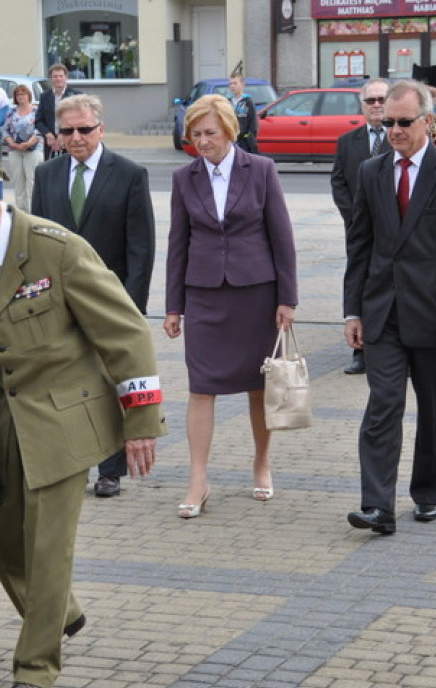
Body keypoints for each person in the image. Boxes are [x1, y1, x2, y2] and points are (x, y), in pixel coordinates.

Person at [0, 153, 165, 688]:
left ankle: (33, 671)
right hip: (0, 416)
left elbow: (125, 330)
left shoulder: (56, 248)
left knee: (46, 545)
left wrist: (141, 422)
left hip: (64, 417)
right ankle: (59, 610)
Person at [343, 80, 436, 536]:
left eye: (405, 122)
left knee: (433, 408)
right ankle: (378, 505)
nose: (395, 131)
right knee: (383, 402)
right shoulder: (371, 171)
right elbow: (359, 247)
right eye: (388, 123)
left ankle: (427, 493)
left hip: (434, 313)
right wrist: (353, 312)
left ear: (429, 120)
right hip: (383, 311)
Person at [164, 95, 297, 517]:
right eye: (196, 135)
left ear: (229, 131)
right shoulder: (184, 179)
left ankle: (261, 463)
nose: (203, 142)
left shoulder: (260, 170)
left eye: (210, 133)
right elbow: (177, 245)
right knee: (201, 387)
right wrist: (173, 307)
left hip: (255, 293)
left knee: (259, 387)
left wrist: (287, 299)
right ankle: (198, 479)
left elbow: (282, 237)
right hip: (204, 294)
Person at [30, 93, 155, 498]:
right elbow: (35, 243)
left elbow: (141, 248)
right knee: (66, 386)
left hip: (110, 303)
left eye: (85, 129)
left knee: (111, 384)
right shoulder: (46, 175)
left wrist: (132, 309)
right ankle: (73, 462)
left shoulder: (130, 174)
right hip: (58, 304)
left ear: (100, 129)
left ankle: (110, 469)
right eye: (67, 131)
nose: (77, 137)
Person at [331, 78, 390, 375]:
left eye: (382, 99)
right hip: (358, 232)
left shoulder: (400, 137)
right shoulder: (347, 142)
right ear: (362, 105)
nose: (377, 105)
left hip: (395, 233)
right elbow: (339, 182)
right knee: (360, 284)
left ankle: (391, 350)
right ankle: (360, 351)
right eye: (371, 101)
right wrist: (354, 219)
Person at [3, 83, 42, 214]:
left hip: (33, 150)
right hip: (15, 151)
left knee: (31, 182)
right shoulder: (11, 112)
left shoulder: (37, 111)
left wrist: (28, 143)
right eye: (18, 95)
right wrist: (12, 144)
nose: (20, 97)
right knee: (18, 182)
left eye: (23, 94)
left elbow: (40, 130)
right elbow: (5, 131)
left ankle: (33, 212)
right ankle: (21, 213)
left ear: (29, 96)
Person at [35, 64, 82, 160]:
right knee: (51, 171)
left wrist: (63, 133)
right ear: (51, 79)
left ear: (66, 77)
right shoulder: (44, 96)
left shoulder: (76, 96)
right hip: (50, 144)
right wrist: (47, 134)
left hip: (71, 141)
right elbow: (38, 120)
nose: (58, 79)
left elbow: (80, 119)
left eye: (61, 76)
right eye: (55, 76)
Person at [228, 73, 258, 153]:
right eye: (230, 84)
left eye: (235, 83)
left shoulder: (247, 101)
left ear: (242, 84)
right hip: (230, 141)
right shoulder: (228, 102)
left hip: (243, 142)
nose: (232, 86)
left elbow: (253, 122)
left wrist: (250, 139)